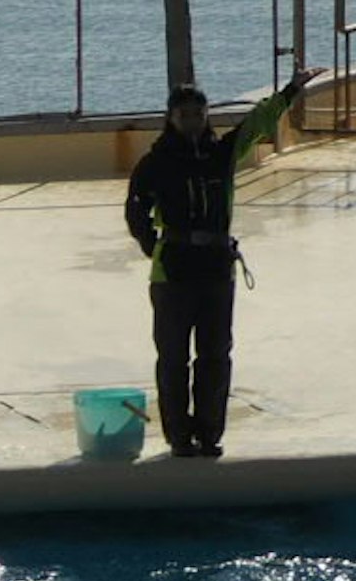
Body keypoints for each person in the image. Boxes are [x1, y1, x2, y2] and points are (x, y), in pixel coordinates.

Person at [121, 72, 305, 459]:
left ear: (206, 115)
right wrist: (151, 244)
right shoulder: (156, 162)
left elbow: (256, 124)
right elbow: (137, 207)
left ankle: (209, 433)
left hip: (217, 271)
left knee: (215, 355)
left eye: (198, 113)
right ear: (171, 117)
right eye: (183, 114)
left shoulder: (221, 154)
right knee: (173, 358)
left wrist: (291, 90)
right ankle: (179, 436)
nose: (191, 120)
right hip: (172, 273)